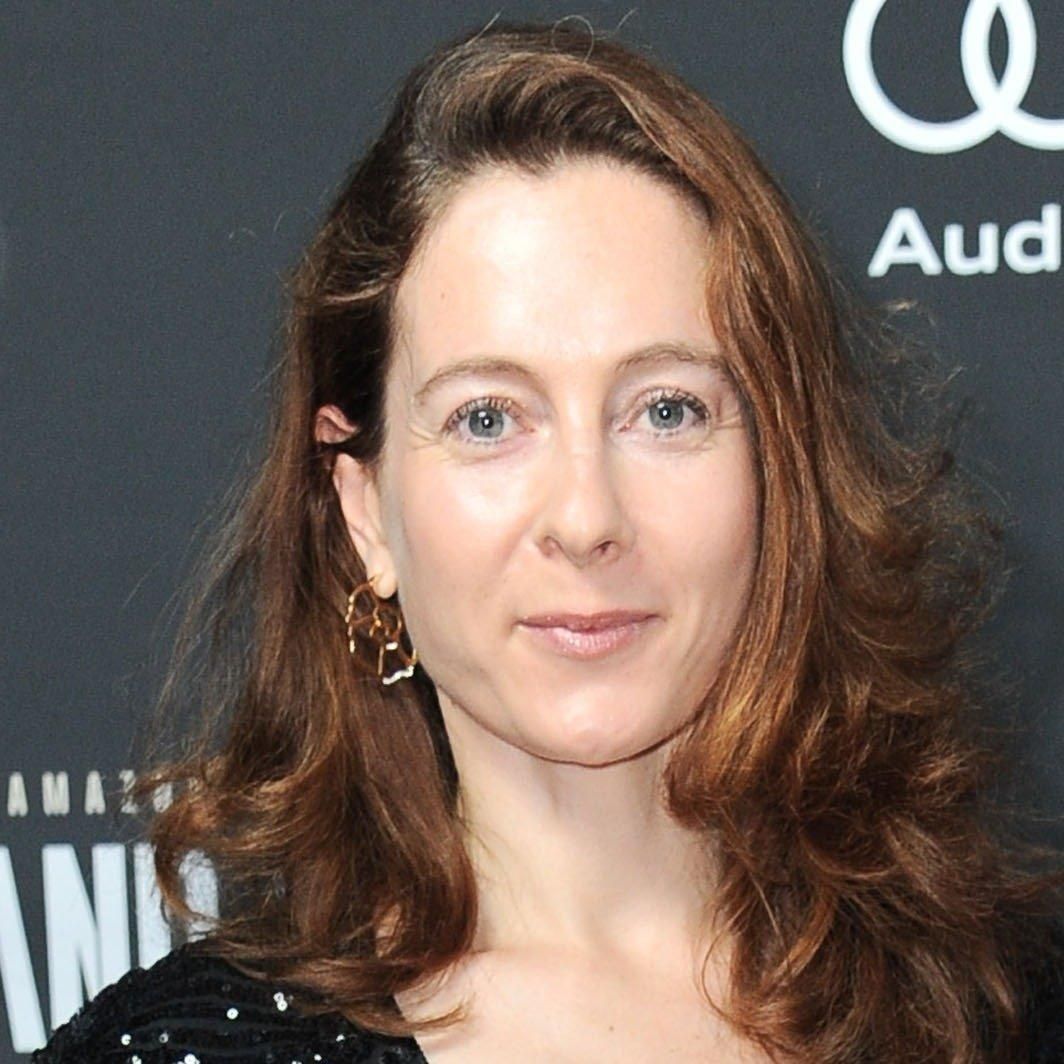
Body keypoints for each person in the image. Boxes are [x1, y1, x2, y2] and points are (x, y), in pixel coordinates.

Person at [34, 17, 1064, 1064]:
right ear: (363, 507)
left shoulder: (1003, 1005)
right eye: (488, 418)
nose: (586, 519)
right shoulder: (180, 1050)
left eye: (666, 410)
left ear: (780, 468)